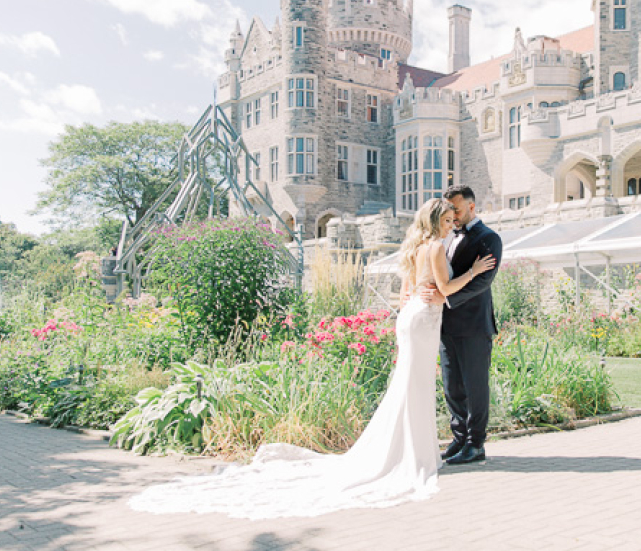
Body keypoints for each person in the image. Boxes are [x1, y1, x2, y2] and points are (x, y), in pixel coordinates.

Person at [128, 197, 494, 521]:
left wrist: (417, 305)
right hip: (425, 319)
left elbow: (405, 293)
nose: (451, 225)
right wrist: (473, 272)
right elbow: (445, 290)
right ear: (434, 222)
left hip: (412, 317)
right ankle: (414, 456)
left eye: (452, 220)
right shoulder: (434, 248)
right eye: (447, 220)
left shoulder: (414, 248)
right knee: (414, 386)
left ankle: (411, 451)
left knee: (407, 384)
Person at [422, 185, 503, 466]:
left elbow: (483, 282)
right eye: (449, 210)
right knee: (451, 385)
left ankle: (475, 444)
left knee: (475, 386)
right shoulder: (446, 237)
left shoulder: (489, 239)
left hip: (474, 326)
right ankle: (459, 438)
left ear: (471, 207)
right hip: (446, 324)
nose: (452, 215)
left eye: (456, 209)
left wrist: (446, 297)